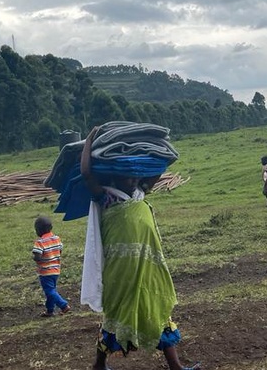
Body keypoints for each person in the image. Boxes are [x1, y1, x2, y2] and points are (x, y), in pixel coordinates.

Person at [79, 125, 199, 370]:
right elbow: (86, 173)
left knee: (157, 311)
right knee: (114, 316)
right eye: (128, 175)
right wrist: (89, 140)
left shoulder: (141, 192)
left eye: (136, 175)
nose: (133, 179)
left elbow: (163, 164)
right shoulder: (106, 196)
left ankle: (175, 367)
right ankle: (99, 365)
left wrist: (159, 149)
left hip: (148, 267)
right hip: (119, 271)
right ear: (114, 175)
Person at [33, 216, 70, 317]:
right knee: (51, 291)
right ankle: (50, 311)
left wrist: (35, 258)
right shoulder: (56, 239)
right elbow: (60, 250)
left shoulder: (40, 242)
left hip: (45, 272)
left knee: (49, 291)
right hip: (56, 270)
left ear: (39, 230)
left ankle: (64, 305)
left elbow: (38, 256)